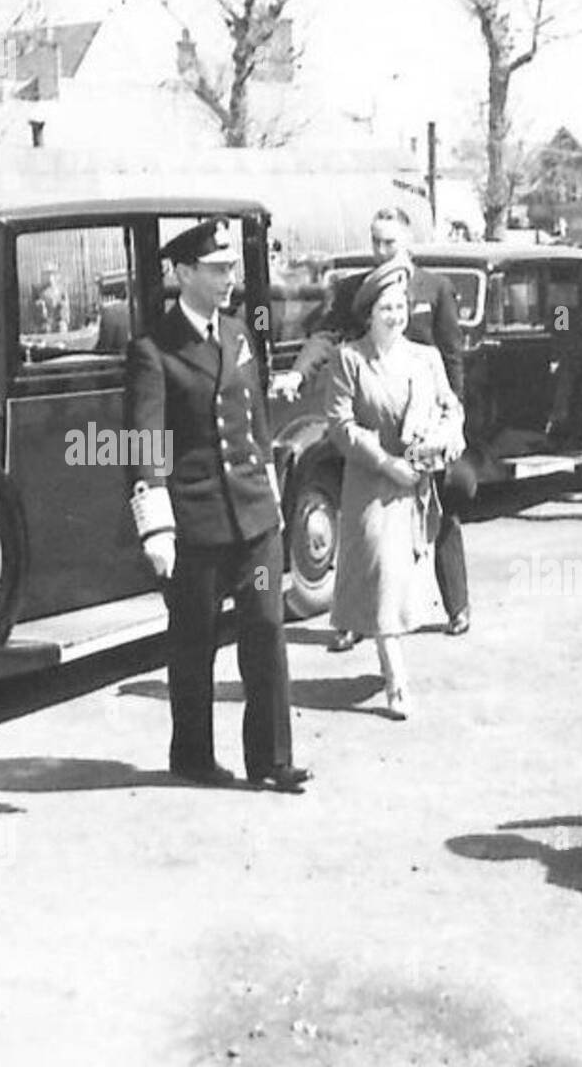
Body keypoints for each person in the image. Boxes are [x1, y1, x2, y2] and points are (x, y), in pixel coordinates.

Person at [124, 218, 310, 793]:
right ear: (183, 274)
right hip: (197, 522)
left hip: (253, 516)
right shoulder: (153, 350)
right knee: (193, 641)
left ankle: (273, 759)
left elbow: (254, 419)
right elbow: (144, 440)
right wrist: (156, 526)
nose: (230, 278)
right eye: (217, 269)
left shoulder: (238, 335)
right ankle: (193, 755)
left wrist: (272, 498)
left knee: (265, 626)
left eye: (231, 268)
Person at [281, 206, 473, 647]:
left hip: (422, 421)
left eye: (389, 242)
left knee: (438, 512)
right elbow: (326, 337)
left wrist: (454, 422)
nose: (381, 250)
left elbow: (452, 356)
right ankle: (354, 620)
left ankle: (457, 604)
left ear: (407, 241)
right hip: (372, 417)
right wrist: (298, 372)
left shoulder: (435, 289)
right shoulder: (355, 291)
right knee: (364, 524)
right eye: (375, 241)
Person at [323, 256, 465, 719]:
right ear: (369, 313)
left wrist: (444, 440)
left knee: (402, 580)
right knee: (382, 574)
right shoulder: (350, 359)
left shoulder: (426, 358)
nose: (395, 316)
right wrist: (386, 463)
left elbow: (451, 409)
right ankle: (396, 679)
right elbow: (339, 425)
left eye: (401, 306)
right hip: (370, 483)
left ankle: (390, 660)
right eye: (386, 308)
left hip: (416, 489)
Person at [34, 263, 70, 333]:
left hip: (58, 318)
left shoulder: (62, 289)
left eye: (53, 274)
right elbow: (35, 306)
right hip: (45, 319)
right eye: (47, 275)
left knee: (61, 327)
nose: (50, 277)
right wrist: (40, 305)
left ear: (57, 276)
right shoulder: (38, 290)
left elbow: (66, 307)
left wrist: (62, 308)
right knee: (44, 328)